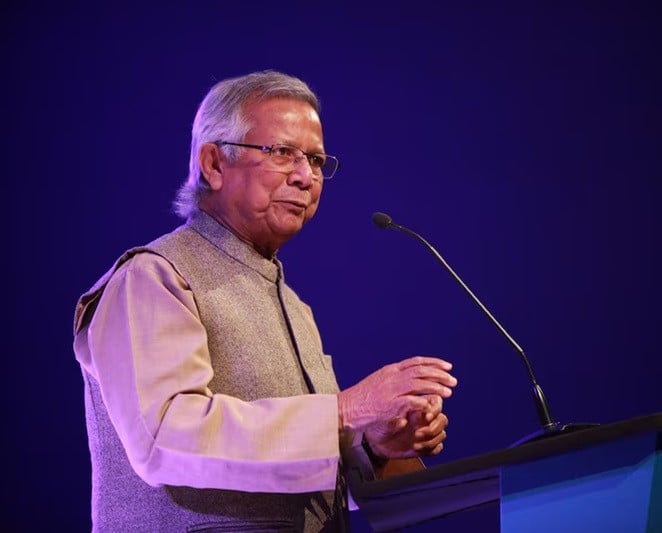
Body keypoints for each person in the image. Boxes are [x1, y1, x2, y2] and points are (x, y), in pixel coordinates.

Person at [72, 69, 457, 532]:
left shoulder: (294, 306)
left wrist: (372, 442)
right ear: (214, 164)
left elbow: (295, 464)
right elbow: (165, 436)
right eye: (282, 153)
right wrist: (345, 411)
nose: (305, 176)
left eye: (316, 160)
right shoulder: (153, 276)